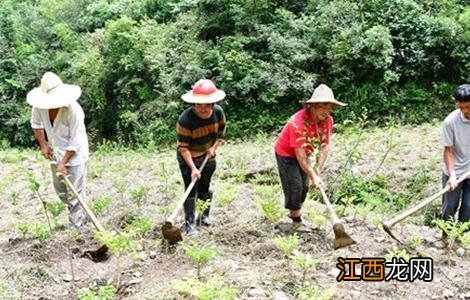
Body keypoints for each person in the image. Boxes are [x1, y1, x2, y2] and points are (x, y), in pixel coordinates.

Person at [274, 84, 346, 230]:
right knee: (295, 186)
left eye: (329, 108)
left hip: (305, 152)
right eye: (322, 107)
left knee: (305, 187)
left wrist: (318, 169)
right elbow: (299, 155)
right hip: (286, 153)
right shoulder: (297, 123)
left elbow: (324, 146)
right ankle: (296, 221)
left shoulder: (328, 121)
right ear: (312, 106)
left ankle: (295, 214)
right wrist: (313, 175)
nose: (326, 112)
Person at [27, 71, 89, 229]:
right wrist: (44, 144)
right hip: (56, 153)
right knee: (62, 191)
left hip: (75, 156)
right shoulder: (39, 106)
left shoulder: (74, 110)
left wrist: (64, 162)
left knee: (75, 192)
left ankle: (76, 228)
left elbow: (76, 140)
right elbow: (36, 124)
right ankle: (81, 215)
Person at [177, 79, 226, 236]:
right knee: (191, 190)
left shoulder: (218, 112)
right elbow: (183, 148)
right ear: (193, 103)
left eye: (206, 104)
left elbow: (220, 134)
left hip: (208, 157)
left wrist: (213, 148)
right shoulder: (185, 120)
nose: (202, 108)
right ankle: (189, 224)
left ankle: (204, 216)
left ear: (212, 103)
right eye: (198, 104)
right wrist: (193, 168)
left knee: (205, 187)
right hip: (189, 159)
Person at [441, 84, 470, 225]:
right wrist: (452, 175)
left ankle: (460, 240)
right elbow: (448, 151)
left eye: (468, 107)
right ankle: (445, 238)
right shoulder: (450, 122)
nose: (465, 111)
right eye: (461, 107)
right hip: (455, 170)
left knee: (468, 207)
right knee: (449, 207)